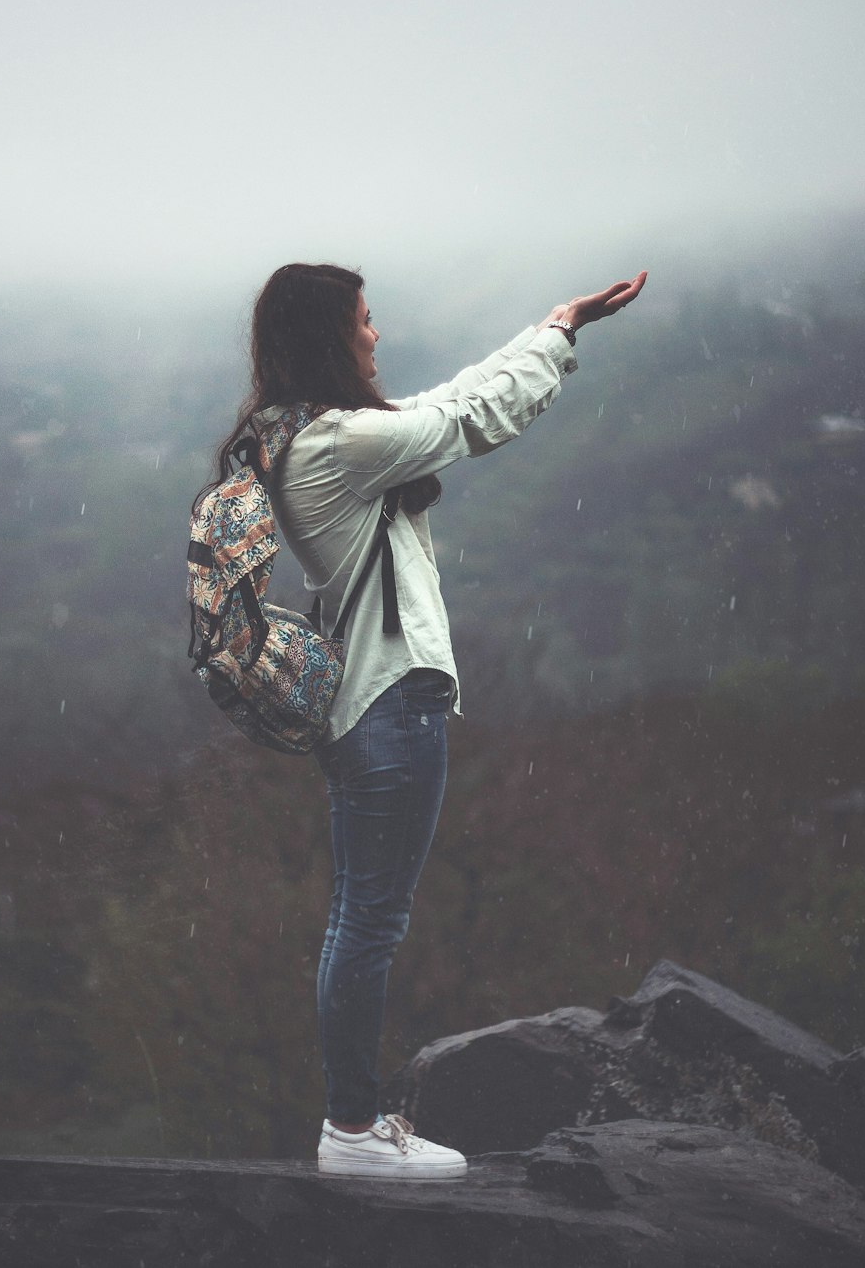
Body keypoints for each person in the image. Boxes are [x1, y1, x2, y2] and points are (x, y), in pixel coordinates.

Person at [206, 261, 647, 1177]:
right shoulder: (334, 444)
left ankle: (352, 1129)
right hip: (387, 705)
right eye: (364, 321)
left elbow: (441, 401)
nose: (375, 335)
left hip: (367, 708)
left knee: (358, 920)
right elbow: (466, 420)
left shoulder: (311, 433)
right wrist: (559, 343)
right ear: (332, 335)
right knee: (369, 922)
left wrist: (552, 327)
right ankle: (355, 1132)